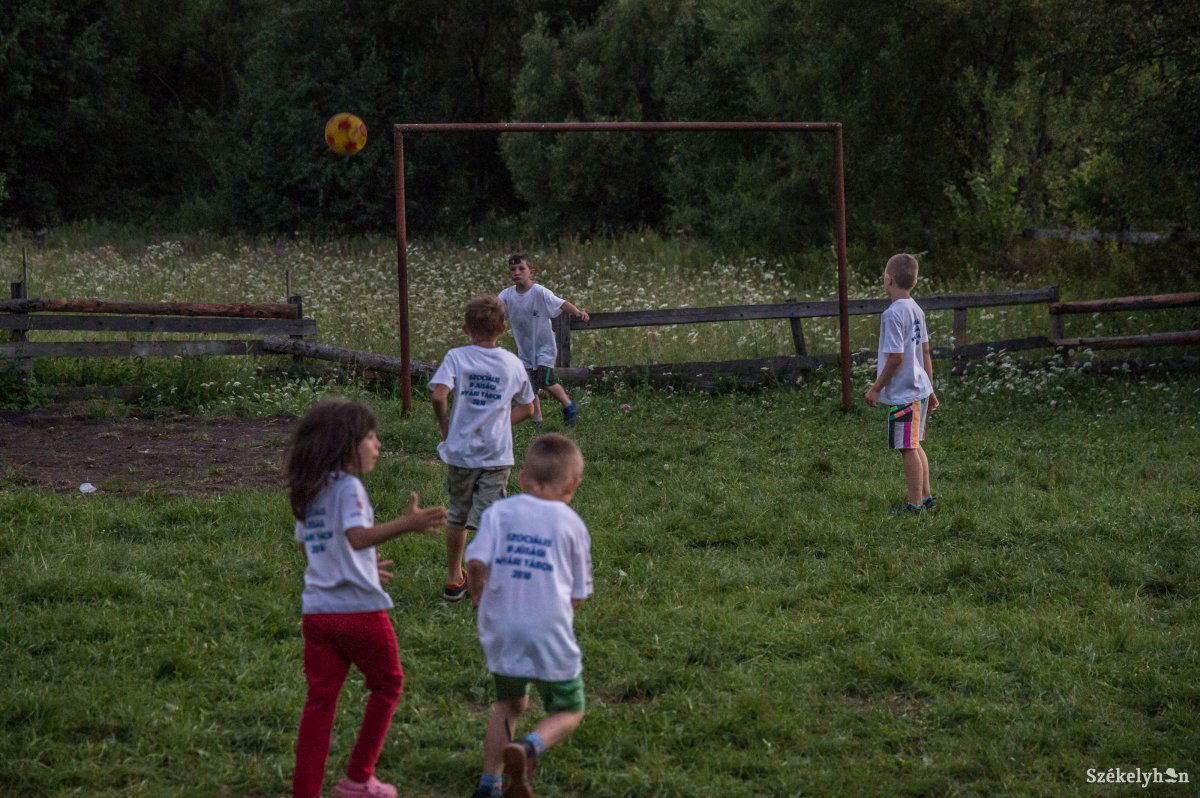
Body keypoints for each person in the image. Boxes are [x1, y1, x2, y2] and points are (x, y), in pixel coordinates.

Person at [287, 399, 448, 798]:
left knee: (319, 705)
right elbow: (357, 537)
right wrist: (408, 523)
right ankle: (358, 779)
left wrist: (357, 566)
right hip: (359, 612)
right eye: (371, 437)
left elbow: (316, 549)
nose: (378, 445)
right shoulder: (349, 488)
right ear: (346, 444)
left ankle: (305, 792)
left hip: (318, 613)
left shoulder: (310, 490)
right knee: (388, 683)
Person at [464, 433, 593, 798]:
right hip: (548, 628)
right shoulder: (572, 525)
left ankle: (490, 783)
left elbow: (475, 561)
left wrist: (477, 592)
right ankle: (529, 747)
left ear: (521, 478)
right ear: (573, 483)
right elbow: (578, 597)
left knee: (508, 704)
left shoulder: (499, 512)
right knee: (570, 708)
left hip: (501, 626)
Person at [431, 295, 536, 602]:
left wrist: (445, 425)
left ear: (465, 328)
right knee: (490, 520)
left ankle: (454, 579)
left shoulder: (456, 357)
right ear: (502, 328)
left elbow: (439, 395)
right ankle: (486, 582)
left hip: (461, 453)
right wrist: (502, 421)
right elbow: (529, 408)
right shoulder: (512, 363)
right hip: (496, 455)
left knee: (458, 514)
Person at [864, 253, 940, 514]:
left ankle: (915, 504)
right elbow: (925, 352)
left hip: (904, 392)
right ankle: (926, 497)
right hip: (918, 388)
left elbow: (896, 357)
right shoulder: (916, 310)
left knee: (907, 447)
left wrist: (876, 387)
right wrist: (929, 389)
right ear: (914, 282)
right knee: (914, 444)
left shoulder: (893, 314)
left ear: (888, 279)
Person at [498, 252, 590, 427]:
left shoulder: (539, 292)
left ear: (531, 271)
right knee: (529, 387)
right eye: (512, 269)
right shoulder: (507, 295)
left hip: (544, 348)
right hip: (524, 350)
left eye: (521, 268)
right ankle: (537, 420)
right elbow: (495, 308)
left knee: (545, 380)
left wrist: (577, 312)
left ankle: (570, 406)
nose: (516, 272)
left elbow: (561, 303)